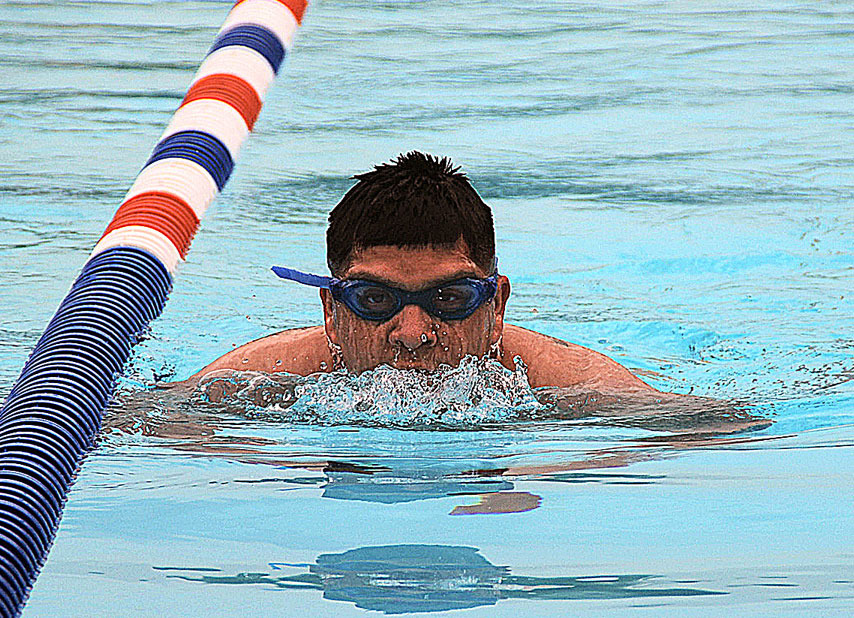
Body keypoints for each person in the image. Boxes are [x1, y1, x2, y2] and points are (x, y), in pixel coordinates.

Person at [188, 151, 737, 417]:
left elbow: (708, 426)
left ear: (496, 304)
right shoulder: (257, 379)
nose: (412, 334)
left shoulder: (570, 384)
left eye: (448, 300)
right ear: (332, 311)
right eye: (375, 301)